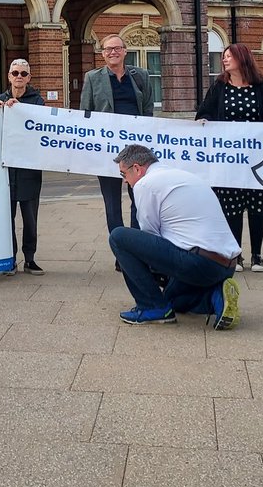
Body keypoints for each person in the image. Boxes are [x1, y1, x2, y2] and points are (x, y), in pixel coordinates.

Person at [108, 144, 241, 329]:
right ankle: (216, 296)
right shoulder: (179, 175)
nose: (124, 181)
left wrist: (147, 275)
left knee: (119, 237)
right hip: (226, 265)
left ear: (137, 168)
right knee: (171, 299)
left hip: (198, 262)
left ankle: (152, 307)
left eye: (124, 174)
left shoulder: (145, 184)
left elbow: (149, 238)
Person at [194, 42, 263, 272]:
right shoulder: (219, 86)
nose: (224, 60)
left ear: (241, 58)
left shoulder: (261, 86)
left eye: (228, 56)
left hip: (257, 158)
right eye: (224, 56)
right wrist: (203, 121)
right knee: (231, 207)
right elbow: (204, 111)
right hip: (229, 159)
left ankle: (257, 255)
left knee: (256, 207)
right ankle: (236, 254)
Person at [81, 34, 154, 255]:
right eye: (107, 49)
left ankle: (135, 247)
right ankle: (121, 252)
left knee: (139, 200)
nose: (112, 52)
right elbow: (85, 114)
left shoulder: (140, 75)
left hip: (136, 151)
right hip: (106, 151)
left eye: (117, 48)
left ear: (124, 51)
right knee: (112, 204)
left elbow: (148, 109)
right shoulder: (93, 78)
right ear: (102, 53)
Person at [0, 58, 44, 276]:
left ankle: (30, 258)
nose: (19, 77)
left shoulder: (38, 101)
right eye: (16, 73)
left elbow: (39, 128)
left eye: (24, 73)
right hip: (6, 169)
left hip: (29, 168)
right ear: (9, 76)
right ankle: (10, 258)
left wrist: (20, 109)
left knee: (30, 218)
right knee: (7, 218)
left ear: (29, 78)